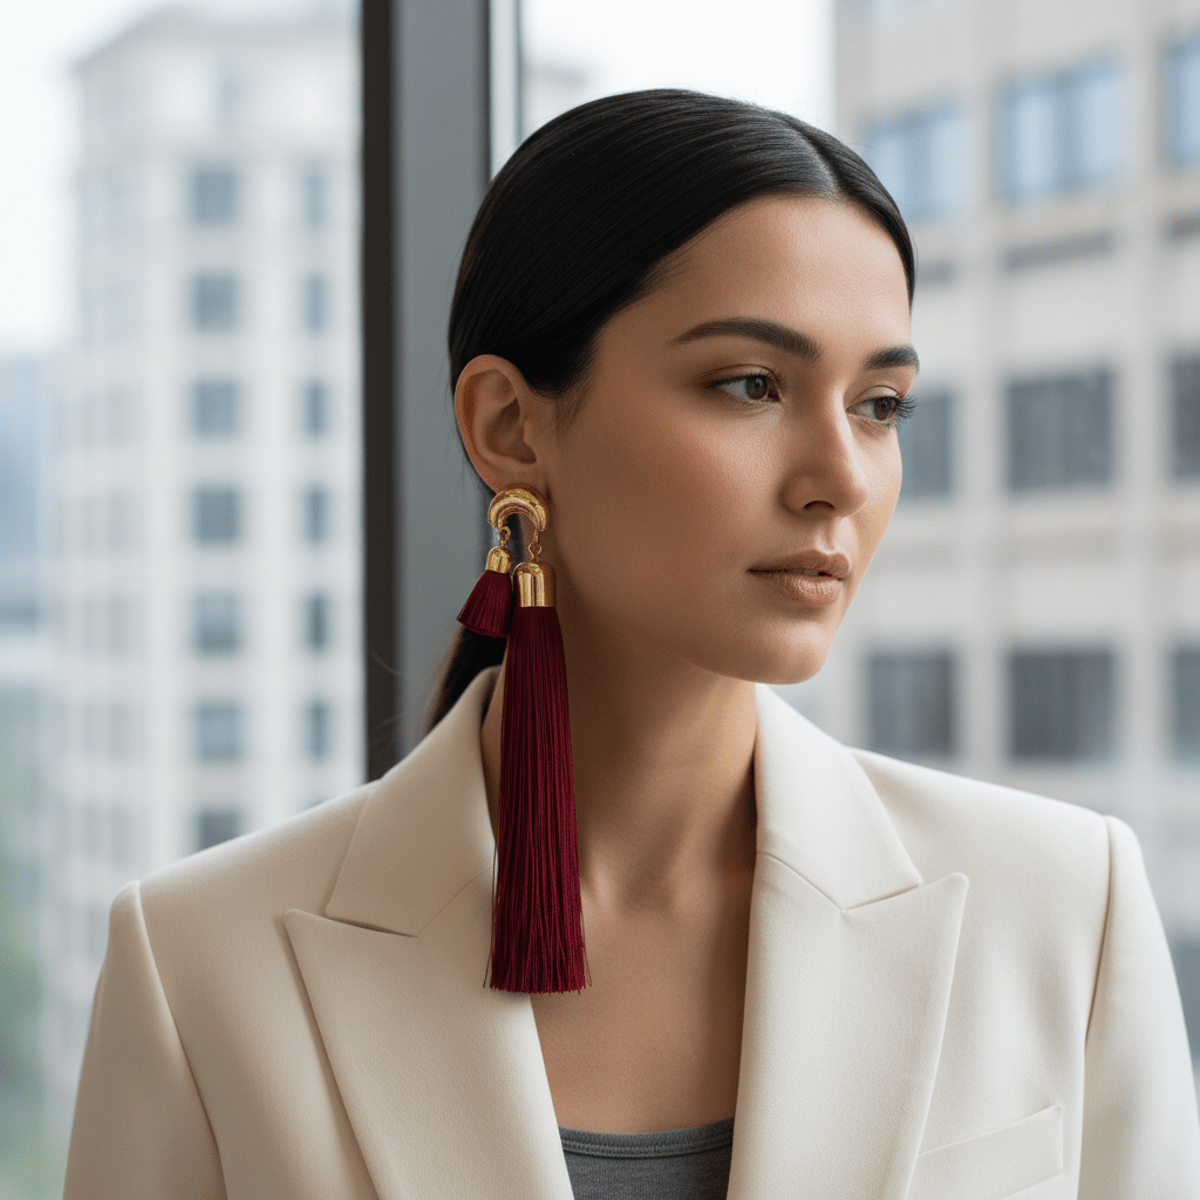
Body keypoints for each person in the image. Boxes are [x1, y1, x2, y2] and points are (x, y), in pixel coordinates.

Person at [64, 90, 1200, 1200]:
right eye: (751, 384)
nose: (842, 479)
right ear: (510, 426)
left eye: (881, 404)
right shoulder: (199, 964)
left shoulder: (1062, 908)